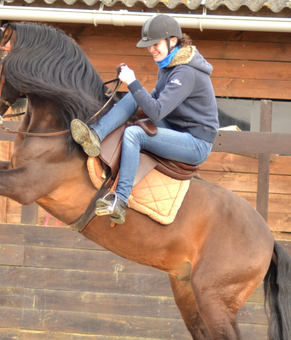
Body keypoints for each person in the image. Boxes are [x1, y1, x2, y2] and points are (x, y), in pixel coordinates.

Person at [71, 14, 219, 224]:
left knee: (134, 134)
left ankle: (119, 201)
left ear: (173, 41)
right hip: (175, 128)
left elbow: (156, 112)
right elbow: (149, 103)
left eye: (155, 44)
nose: (151, 50)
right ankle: (95, 135)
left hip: (195, 143)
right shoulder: (168, 67)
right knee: (133, 97)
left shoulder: (185, 73)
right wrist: (128, 97)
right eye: (149, 45)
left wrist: (132, 81)